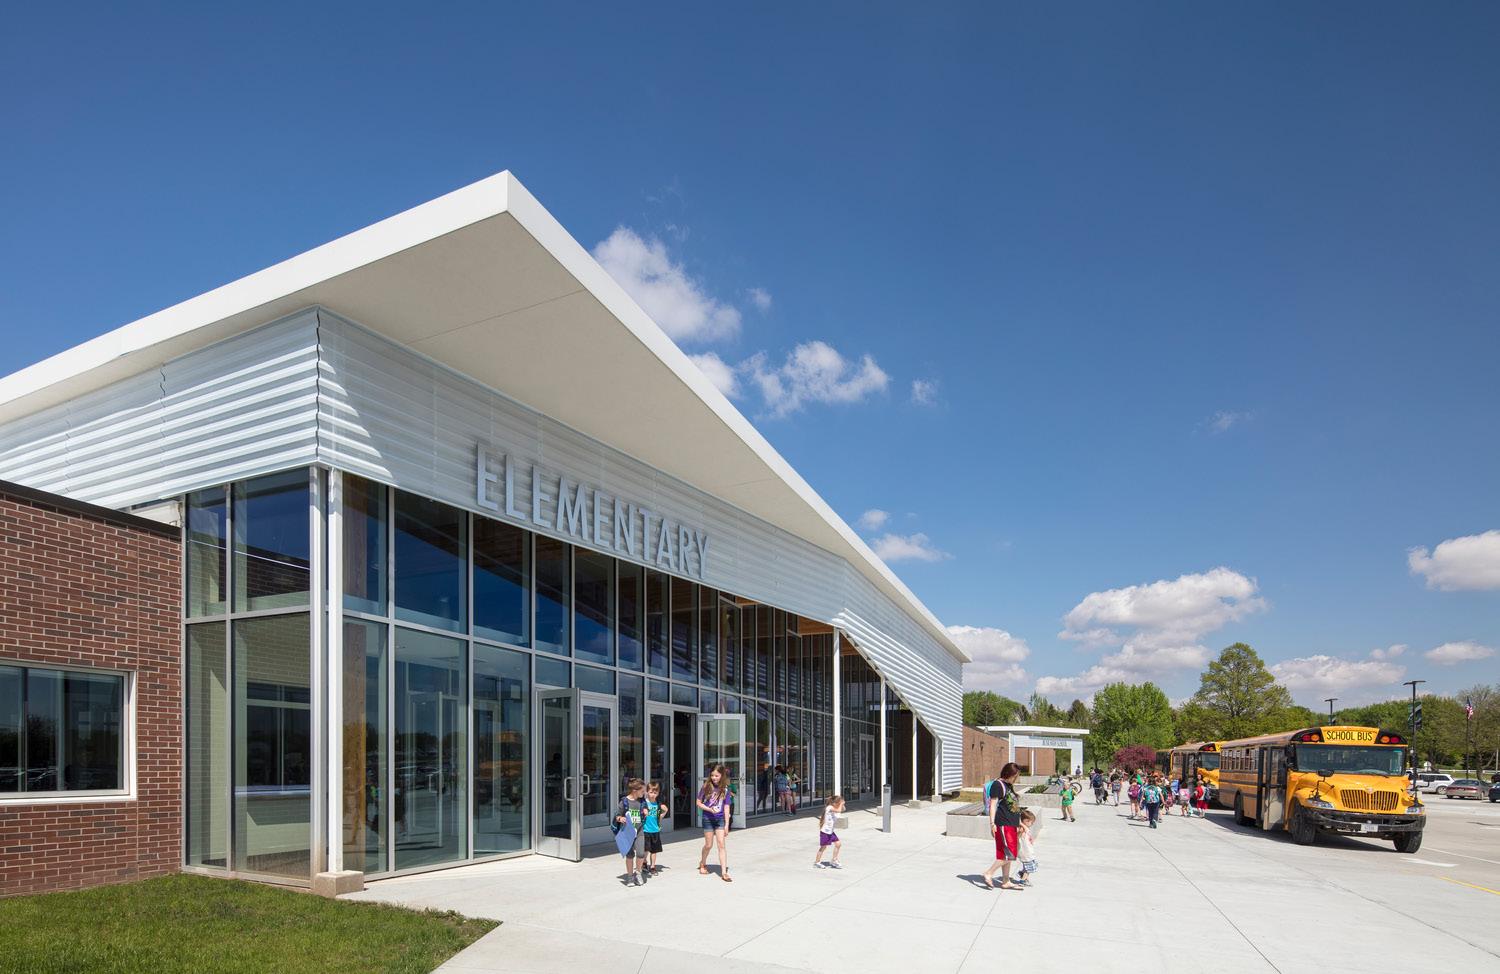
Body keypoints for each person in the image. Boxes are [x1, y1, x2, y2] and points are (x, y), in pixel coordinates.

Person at [980, 762, 1026, 890]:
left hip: (1011, 824)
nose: (1016, 778)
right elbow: (993, 805)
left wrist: (1020, 823)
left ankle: (1005, 881)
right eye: (1014, 776)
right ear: (1008, 773)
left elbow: (1013, 807)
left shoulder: (1008, 785)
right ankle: (989, 873)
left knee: (1006, 854)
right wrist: (992, 824)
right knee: (1010, 853)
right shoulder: (998, 785)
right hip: (1003, 824)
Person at [696, 764, 734, 882]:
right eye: (712, 775)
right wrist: (709, 809)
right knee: (708, 845)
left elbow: (726, 807)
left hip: (720, 820)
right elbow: (698, 803)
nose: (714, 778)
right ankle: (703, 863)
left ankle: (724, 872)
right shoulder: (706, 786)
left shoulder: (725, 789)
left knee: (721, 845)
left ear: (722, 775)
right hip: (708, 818)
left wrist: (727, 824)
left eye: (716, 775)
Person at [613, 778, 650, 887]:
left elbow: (646, 809)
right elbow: (617, 816)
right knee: (629, 855)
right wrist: (621, 818)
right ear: (635, 790)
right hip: (628, 832)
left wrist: (646, 811)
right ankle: (630, 876)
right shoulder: (624, 801)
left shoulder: (642, 801)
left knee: (641, 853)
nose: (644, 793)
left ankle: (638, 873)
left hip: (639, 831)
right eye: (642, 791)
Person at [642, 781, 669, 876]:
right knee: (646, 849)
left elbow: (659, 817)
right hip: (645, 830)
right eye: (651, 792)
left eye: (655, 793)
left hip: (655, 830)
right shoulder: (644, 803)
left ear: (658, 793)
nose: (653, 794)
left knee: (654, 850)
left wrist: (665, 812)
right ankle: (644, 862)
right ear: (647, 792)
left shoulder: (658, 804)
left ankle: (652, 866)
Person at [815, 795, 845, 869]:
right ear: (835, 803)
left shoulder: (835, 809)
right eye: (839, 803)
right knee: (823, 847)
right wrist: (841, 804)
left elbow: (843, 809)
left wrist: (842, 804)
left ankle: (834, 860)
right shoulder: (829, 807)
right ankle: (817, 862)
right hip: (825, 832)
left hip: (831, 832)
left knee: (838, 844)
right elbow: (839, 810)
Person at [1015, 808, 1040, 887]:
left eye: (1032, 822)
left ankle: (1022, 875)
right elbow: (1017, 837)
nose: (1031, 823)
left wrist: (1030, 838)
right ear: (1023, 821)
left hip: (1028, 851)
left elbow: (1028, 835)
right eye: (1029, 821)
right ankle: (1022, 881)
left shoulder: (1026, 828)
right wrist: (1022, 826)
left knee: (1029, 866)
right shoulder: (1022, 829)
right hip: (1025, 852)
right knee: (1029, 868)